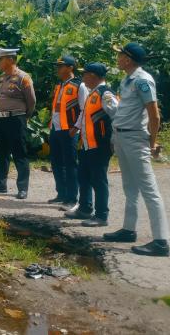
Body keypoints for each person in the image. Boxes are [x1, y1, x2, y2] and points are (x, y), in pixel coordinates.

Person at [102, 43, 170, 257]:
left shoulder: (142, 80)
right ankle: (128, 229)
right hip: (123, 136)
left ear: (128, 59)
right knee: (130, 187)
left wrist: (152, 143)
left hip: (135, 138)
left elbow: (154, 115)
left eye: (120, 55)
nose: (118, 58)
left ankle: (161, 242)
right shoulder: (128, 79)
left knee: (149, 190)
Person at [65, 63, 117, 226]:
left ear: (93, 76)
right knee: (84, 176)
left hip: (100, 145)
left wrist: (114, 139)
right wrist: (76, 127)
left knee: (98, 180)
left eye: (85, 74)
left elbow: (117, 114)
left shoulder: (105, 93)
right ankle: (85, 208)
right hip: (88, 145)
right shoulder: (92, 93)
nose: (83, 77)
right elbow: (85, 113)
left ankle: (101, 215)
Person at [0, 47, 36, 199]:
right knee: (1, 153)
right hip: (2, 119)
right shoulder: (2, 78)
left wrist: (25, 116)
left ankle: (22, 188)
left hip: (16, 119)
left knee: (19, 153)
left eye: (1, 59)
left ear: (11, 60)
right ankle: (0, 185)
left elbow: (31, 100)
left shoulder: (23, 77)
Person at [47, 56, 87, 210]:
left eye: (61, 66)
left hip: (69, 130)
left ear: (70, 68)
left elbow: (84, 109)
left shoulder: (79, 86)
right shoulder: (59, 85)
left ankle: (72, 198)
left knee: (70, 164)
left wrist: (76, 127)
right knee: (56, 163)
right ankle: (62, 194)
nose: (58, 69)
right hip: (56, 128)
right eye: (57, 66)